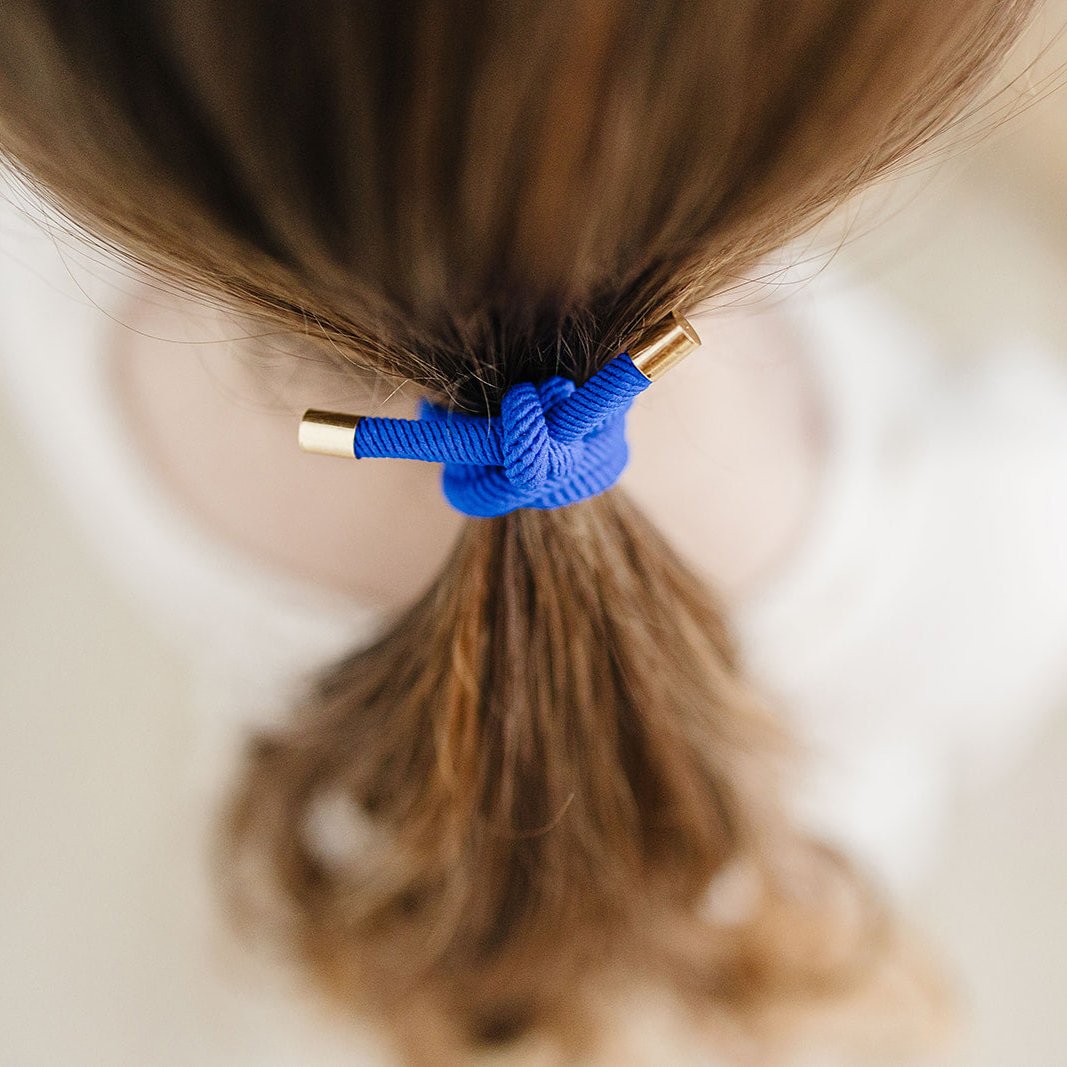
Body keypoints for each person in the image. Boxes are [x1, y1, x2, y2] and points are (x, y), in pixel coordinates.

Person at [0, 2, 1064, 1063]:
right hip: (774, 852)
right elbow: (1005, 625)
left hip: (359, 815)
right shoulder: (922, 521)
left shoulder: (68, 309)